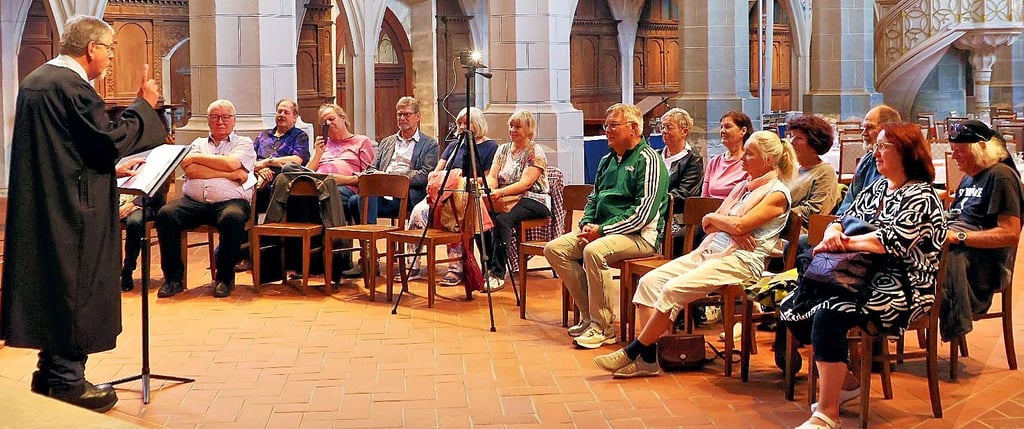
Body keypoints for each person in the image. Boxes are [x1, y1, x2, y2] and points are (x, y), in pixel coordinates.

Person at [0, 15, 164, 412]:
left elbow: (70, 149)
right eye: (108, 49)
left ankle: (50, 373)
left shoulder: (36, 81)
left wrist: (107, 167)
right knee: (77, 287)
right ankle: (67, 381)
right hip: (75, 211)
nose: (108, 57)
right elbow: (106, 142)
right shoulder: (72, 87)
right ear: (92, 48)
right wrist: (145, 105)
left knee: (54, 285)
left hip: (46, 201)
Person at [779, 122, 946, 429]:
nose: (875, 152)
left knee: (829, 313)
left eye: (883, 147)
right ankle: (846, 382)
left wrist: (842, 242)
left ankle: (827, 413)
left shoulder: (922, 196)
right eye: (877, 146)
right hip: (861, 275)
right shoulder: (879, 186)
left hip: (900, 286)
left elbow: (892, 242)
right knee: (796, 298)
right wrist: (834, 229)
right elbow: (843, 215)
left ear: (906, 153)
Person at [594, 131, 795, 378]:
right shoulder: (743, 187)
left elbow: (741, 227)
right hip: (711, 249)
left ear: (768, 160)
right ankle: (648, 360)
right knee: (650, 282)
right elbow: (709, 225)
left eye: (750, 153)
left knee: (672, 289)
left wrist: (724, 222)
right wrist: (720, 221)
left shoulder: (777, 193)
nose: (743, 157)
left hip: (742, 260)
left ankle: (634, 350)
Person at [543, 103, 668, 349]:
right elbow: (594, 198)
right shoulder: (607, 160)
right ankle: (590, 316)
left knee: (594, 251)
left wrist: (600, 231)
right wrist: (587, 224)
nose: (607, 130)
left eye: (613, 125)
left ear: (633, 128)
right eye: (606, 125)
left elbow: (642, 214)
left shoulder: (649, 160)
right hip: (602, 231)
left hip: (640, 237)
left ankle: (603, 328)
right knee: (555, 249)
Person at [155, 99, 256, 299]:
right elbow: (190, 168)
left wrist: (203, 161)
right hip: (194, 203)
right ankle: (174, 279)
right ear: (208, 121)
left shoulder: (244, 142)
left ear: (233, 121)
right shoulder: (198, 143)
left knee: (233, 218)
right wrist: (229, 173)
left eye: (226, 117)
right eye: (215, 117)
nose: (220, 121)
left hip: (231, 202)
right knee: (166, 214)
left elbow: (232, 162)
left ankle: (224, 280)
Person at [941, 120, 1024, 342]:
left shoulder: (1001, 176)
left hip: (984, 266)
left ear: (980, 149)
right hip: (962, 254)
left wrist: (959, 236)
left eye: (959, 151)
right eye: (952, 151)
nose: (954, 156)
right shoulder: (968, 179)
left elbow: (1010, 233)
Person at [340, 96, 439, 278]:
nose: (402, 118)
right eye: (399, 114)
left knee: (363, 200)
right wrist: (367, 175)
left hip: (405, 196)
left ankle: (368, 260)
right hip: (380, 193)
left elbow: (425, 175)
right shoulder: (387, 142)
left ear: (418, 116)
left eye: (407, 114)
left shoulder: (429, 144)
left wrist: (394, 178)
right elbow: (373, 167)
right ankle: (370, 255)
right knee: (354, 201)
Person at [403, 106, 498, 285]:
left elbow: (487, 178)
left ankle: (456, 269)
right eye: (459, 123)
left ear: (477, 123)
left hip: (465, 194)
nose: (461, 127)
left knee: (456, 219)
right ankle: (412, 264)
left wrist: (460, 181)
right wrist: (445, 179)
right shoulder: (454, 146)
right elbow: (436, 171)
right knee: (417, 212)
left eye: (465, 123)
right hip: (442, 191)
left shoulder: (490, 146)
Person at [482, 109, 551, 292]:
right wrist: (489, 189)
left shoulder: (535, 151)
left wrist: (500, 193)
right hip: (506, 197)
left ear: (529, 130)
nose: (512, 130)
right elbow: (493, 176)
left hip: (534, 199)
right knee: (479, 215)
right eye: (511, 126)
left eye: (517, 126)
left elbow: (525, 183)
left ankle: (498, 273)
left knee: (503, 220)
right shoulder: (502, 149)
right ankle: (486, 267)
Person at [302, 103, 375, 225]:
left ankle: (335, 240)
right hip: (316, 187)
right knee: (290, 172)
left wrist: (343, 179)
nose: (329, 124)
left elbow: (369, 178)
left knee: (323, 197)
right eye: (325, 122)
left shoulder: (361, 141)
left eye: (331, 119)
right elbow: (306, 173)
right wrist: (317, 155)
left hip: (343, 189)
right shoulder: (321, 145)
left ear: (343, 118)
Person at [836, 104, 902, 214]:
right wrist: (837, 224)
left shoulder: (901, 167)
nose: (863, 133)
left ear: (887, 129)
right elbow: (849, 202)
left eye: (869, 127)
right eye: (863, 127)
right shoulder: (866, 161)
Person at [658, 108, 705, 257]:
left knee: (672, 237)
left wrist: (654, 201)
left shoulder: (693, 161)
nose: (664, 131)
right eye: (662, 127)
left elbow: (684, 194)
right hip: (651, 211)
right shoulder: (655, 155)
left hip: (676, 216)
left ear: (684, 132)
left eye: (669, 127)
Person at [118, 157, 170, 292]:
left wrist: (135, 204)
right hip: (119, 200)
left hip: (146, 204)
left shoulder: (158, 155)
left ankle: (128, 269)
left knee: (135, 222)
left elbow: (160, 188)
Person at [251, 99, 310, 212]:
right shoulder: (264, 135)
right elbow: (249, 159)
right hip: (258, 175)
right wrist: (260, 169)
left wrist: (268, 161)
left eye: (286, 112)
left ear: (295, 117)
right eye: (279, 111)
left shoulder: (300, 136)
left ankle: (271, 223)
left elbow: (296, 160)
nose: (281, 115)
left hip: (282, 180)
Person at [702, 111, 752, 199]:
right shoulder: (713, 162)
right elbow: (704, 198)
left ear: (743, 131)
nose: (722, 131)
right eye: (721, 127)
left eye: (727, 127)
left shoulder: (750, 161)